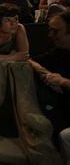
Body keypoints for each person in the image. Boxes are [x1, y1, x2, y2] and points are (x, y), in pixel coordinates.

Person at [28, 10, 70, 163]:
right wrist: (44, 73)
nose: (50, 35)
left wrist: (63, 81)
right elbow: (30, 60)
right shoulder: (61, 52)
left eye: (56, 31)